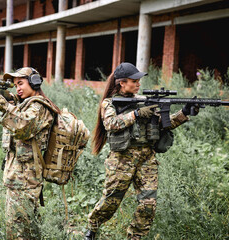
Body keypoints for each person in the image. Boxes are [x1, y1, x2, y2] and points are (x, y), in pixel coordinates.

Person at [84, 62, 199, 240]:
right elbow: (110, 124)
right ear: (121, 83)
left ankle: (135, 237)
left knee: (148, 204)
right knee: (110, 202)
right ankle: (92, 228)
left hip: (147, 158)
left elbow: (163, 124)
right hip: (121, 160)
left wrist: (184, 112)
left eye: (139, 80)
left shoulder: (144, 101)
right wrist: (136, 114)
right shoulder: (109, 103)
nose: (138, 83)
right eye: (134, 80)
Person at [0, 67, 60, 239]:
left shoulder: (39, 106)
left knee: (18, 232)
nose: (17, 88)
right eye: (15, 85)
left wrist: (2, 104)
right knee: (26, 229)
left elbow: (23, 127)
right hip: (19, 179)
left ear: (34, 82)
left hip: (26, 181)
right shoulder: (25, 104)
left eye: (21, 83)